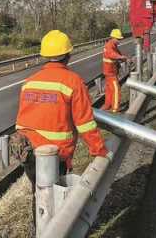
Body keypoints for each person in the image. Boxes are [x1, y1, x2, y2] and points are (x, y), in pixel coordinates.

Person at [12, 30, 108, 192]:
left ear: (44, 55)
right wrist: (99, 150)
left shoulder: (29, 82)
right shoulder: (73, 82)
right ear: (68, 54)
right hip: (55, 154)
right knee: (53, 199)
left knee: (39, 194)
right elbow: (85, 124)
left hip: (26, 151)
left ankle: (40, 217)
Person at [102, 28, 127, 112]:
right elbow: (112, 54)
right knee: (116, 89)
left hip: (110, 71)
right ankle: (115, 109)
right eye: (118, 39)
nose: (120, 41)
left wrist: (124, 58)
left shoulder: (114, 46)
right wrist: (120, 57)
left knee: (109, 90)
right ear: (113, 38)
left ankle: (107, 105)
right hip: (110, 72)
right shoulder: (109, 46)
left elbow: (118, 54)